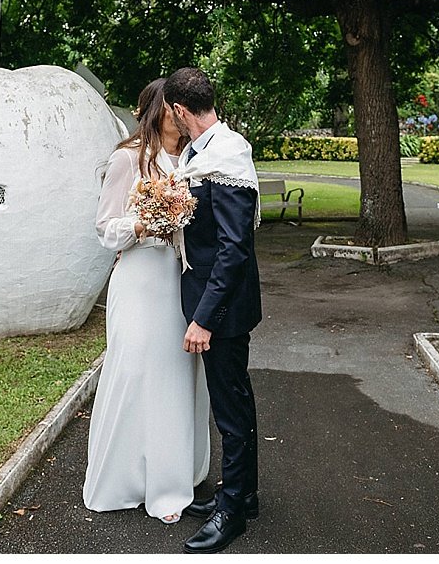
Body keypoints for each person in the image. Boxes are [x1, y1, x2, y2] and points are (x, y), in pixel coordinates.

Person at [82, 78, 210, 524]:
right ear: (157, 111)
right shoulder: (127, 159)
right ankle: (127, 477)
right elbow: (104, 230)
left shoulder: (195, 160)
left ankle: (173, 478)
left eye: (183, 109)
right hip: (139, 280)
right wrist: (142, 226)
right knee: (135, 371)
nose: (180, 115)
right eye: (173, 108)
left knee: (175, 376)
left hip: (181, 281)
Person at [164, 67, 262, 554]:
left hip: (222, 306)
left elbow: (233, 249)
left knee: (228, 406)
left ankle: (232, 515)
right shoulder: (195, 155)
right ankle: (243, 494)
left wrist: (204, 318)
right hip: (210, 297)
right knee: (234, 398)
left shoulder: (227, 153)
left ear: (181, 111)